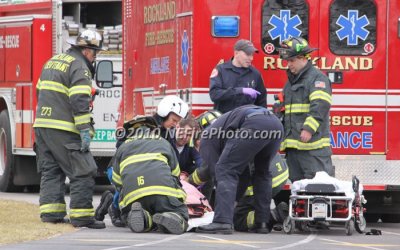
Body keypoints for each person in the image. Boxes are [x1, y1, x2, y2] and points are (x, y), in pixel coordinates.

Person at [33, 29, 105, 228]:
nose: (95, 57)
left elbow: (40, 91)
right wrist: (84, 129)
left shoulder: (52, 62)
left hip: (42, 126)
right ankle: (82, 216)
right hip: (64, 129)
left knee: (52, 170)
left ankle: (51, 214)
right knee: (83, 170)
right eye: (95, 53)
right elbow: (79, 100)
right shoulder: (79, 67)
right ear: (87, 51)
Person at [95, 95, 189, 227]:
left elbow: (173, 159)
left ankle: (141, 214)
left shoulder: (166, 134)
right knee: (130, 179)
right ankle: (115, 208)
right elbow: (121, 150)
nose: (175, 124)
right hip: (118, 167)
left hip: (135, 167)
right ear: (164, 113)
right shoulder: (142, 124)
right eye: (174, 120)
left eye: (177, 121)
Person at [196, 104, 283, 234]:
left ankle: (222, 222)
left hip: (254, 123)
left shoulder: (207, 138)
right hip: (275, 124)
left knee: (224, 169)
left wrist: (223, 206)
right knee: (262, 173)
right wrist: (234, 200)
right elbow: (244, 175)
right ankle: (262, 223)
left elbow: (218, 174)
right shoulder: (224, 129)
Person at [111, 117, 189, 234]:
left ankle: (145, 218)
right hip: (163, 192)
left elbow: (117, 181)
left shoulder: (122, 148)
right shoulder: (163, 142)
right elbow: (175, 174)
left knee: (129, 213)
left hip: (134, 197)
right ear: (153, 129)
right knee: (179, 212)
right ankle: (173, 215)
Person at [277, 37, 333, 182]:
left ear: (302, 58)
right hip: (294, 148)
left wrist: (308, 128)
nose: (288, 64)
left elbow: (320, 104)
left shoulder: (317, 78)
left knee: (318, 191)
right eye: (287, 61)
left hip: (312, 150)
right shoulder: (290, 82)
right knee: (298, 192)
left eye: (291, 60)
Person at [209, 39, 267, 114]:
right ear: (236, 53)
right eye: (248, 54)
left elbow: (262, 103)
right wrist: (241, 91)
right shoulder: (221, 70)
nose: (251, 58)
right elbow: (214, 95)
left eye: (252, 55)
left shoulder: (255, 74)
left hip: (246, 122)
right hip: (225, 120)